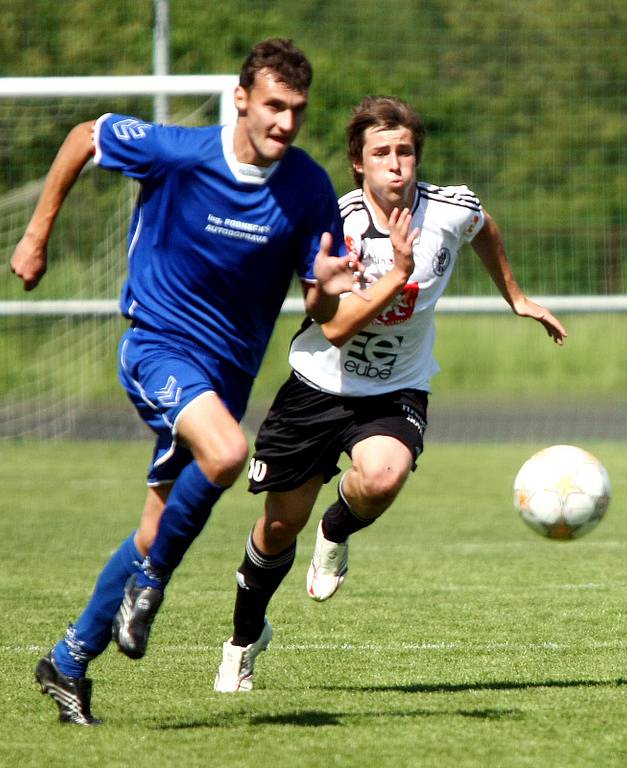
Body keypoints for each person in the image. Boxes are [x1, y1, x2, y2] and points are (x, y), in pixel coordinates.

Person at [11, 39, 364, 726]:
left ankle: (68, 660)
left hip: (227, 375)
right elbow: (86, 137)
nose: (284, 123)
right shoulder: (177, 151)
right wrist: (37, 233)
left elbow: (320, 307)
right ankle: (151, 586)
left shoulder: (308, 189)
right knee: (228, 454)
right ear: (241, 99)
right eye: (272, 106)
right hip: (158, 346)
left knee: (154, 525)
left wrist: (328, 291)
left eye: (295, 110)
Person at [211, 95, 568, 692]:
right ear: (359, 162)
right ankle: (243, 643)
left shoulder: (451, 210)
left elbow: (484, 228)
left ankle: (337, 529)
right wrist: (399, 270)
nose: (396, 164)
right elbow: (334, 326)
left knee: (381, 476)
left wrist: (516, 295)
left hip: (396, 388)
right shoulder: (339, 224)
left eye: (405, 151)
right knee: (277, 530)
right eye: (382, 153)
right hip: (317, 386)